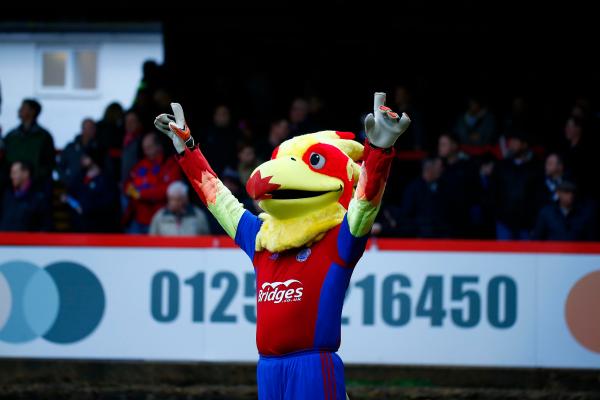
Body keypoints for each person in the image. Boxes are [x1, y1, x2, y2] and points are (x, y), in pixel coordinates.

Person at [155, 93, 410, 400]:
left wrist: (379, 151)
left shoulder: (339, 238)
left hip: (313, 367)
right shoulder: (263, 237)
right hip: (268, 370)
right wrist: (187, 150)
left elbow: (364, 205)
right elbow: (218, 199)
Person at [123, 132, 181, 234]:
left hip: (161, 219)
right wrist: (132, 191)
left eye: (149, 147)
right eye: (144, 148)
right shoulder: (141, 164)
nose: (145, 151)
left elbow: (169, 190)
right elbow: (127, 185)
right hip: (137, 219)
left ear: (158, 146)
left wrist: (141, 194)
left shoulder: (170, 164)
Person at [491, 129, 542, 240]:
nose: (511, 145)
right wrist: (498, 214)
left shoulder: (535, 167)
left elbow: (538, 196)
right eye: (510, 142)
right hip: (504, 222)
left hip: (526, 224)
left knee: (526, 256)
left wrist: (532, 217)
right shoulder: (501, 166)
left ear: (524, 145)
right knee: (504, 255)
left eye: (515, 142)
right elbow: (493, 191)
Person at [62, 149, 119, 232]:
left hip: (99, 226)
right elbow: (71, 192)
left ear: (94, 158)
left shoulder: (106, 179)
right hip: (79, 225)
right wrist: (67, 198)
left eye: (86, 157)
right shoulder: (80, 176)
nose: (82, 159)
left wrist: (86, 208)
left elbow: (108, 203)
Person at [2, 99, 55, 187]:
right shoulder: (11, 135)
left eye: (23, 107)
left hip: (36, 183)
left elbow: (49, 163)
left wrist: (32, 176)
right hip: (11, 182)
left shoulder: (44, 136)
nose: (19, 110)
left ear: (32, 112)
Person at [437, 133, 477, 237]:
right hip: (442, 223)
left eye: (444, 144)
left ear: (454, 146)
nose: (440, 147)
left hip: (463, 223)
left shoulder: (467, 167)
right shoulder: (438, 167)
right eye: (440, 144)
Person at [400, 157, 450, 238]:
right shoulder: (413, 188)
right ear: (429, 169)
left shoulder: (443, 186)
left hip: (441, 235)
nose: (440, 171)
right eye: (436, 169)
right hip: (419, 234)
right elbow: (407, 213)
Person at [532, 181, 597, 241]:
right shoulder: (547, 213)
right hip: (553, 251)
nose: (570, 195)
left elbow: (590, 238)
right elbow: (537, 237)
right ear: (558, 193)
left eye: (572, 192)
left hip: (577, 251)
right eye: (566, 192)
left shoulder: (584, 214)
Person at [0, 161, 51, 231]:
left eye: (14, 173)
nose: (11, 176)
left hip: (27, 241)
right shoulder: (7, 195)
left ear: (26, 173)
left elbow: (45, 227)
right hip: (4, 240)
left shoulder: (38, 198)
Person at [57, 118, 101, 189]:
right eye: (89, 128)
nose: (91, 131)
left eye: (92, 128)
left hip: (92, 188)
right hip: (70, 186)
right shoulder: (70, 147)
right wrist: (66, 180)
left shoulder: (100, 148)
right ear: (82, 129)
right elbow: (60, 166)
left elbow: (106, 169)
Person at [120, 110, 145, 184]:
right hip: (124, 186)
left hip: (139, 185)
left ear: (139, 123)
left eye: (132, 121)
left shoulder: (144, 142)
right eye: (127, 121)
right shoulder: (121, 140)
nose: (129, 124)